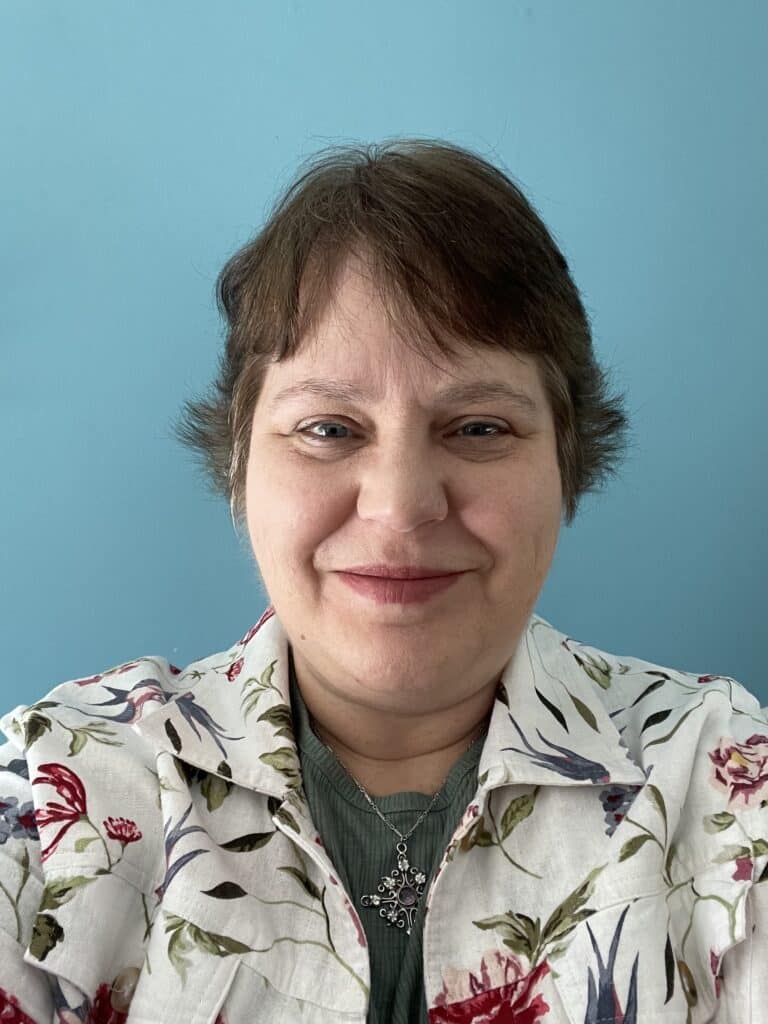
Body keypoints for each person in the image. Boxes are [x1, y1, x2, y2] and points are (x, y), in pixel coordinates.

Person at [0, 138, 765, 1024]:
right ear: (239, 462)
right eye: (328, 428)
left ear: (569, 461)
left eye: (479, 429)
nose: (401, 507)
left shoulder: (727, 788)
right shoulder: (55, 792)